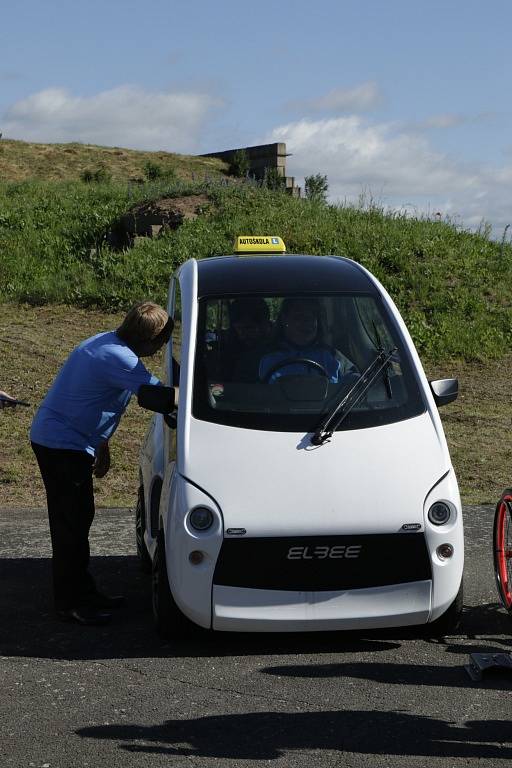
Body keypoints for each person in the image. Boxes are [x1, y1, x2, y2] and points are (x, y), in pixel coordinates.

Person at [30, 302, 174, 626]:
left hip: (69, 440)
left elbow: (96, 397)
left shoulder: (105, 342)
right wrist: (210, 394)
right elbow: (158, 396)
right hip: (61, 444)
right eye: (162, 341)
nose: (163, 347)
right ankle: (70, 602)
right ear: (148, 339)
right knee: (70, 525)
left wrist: (101, 445)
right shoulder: (119, 356)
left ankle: (84, 591)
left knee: (80, 517)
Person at [259, 297, 357, 382]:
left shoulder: (333, 356)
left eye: (311, 317)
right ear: (285, 319)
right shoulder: (266, 357)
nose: (306, 323)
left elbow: (357, 383)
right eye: (299, 317)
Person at [221, 298, 272, 381]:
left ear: (265, 325)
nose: (242, 334)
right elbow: (217, 390)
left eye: (248, 328)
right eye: (238, 329)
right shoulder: (228, 354)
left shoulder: (280, 349)